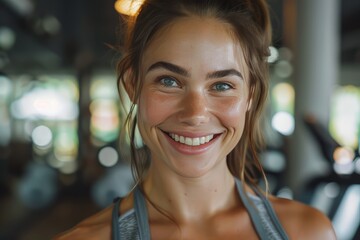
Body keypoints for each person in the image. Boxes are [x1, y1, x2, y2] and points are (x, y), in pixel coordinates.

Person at [54, 0, 337, 239]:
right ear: (133, 84)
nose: (195, 114)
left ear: (250, 95)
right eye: (168, 81)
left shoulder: (308, 232)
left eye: (223, 85)